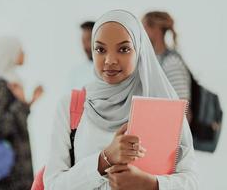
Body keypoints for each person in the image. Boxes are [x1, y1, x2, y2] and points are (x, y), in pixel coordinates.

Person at [44, 10, 198, 190]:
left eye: (123, 49)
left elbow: (191, 181)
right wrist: (104, 160)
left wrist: (151, 184)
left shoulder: (162, 105)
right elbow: (53, 185)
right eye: (100, 49)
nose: (109, 60)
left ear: (139, 50)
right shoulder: (71, 105)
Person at [0, 36, 43, 190]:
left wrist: (28, 103)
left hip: (12, 172)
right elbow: (0, 127)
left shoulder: (10, 82)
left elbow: (13, 120)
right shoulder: (3, 85)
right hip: (8, 177)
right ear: (8, 53)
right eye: (20, 50)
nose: (24, 53)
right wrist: (22, 104)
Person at [142, 11, 191, 101]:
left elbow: (181, 105)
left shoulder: (172, 62)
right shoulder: (153, 60)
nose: (141, 33)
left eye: (144, 27)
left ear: (155, 29)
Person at [67, 21, 95, 90]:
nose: (85, 46)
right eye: (83, 41)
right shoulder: (76, 73)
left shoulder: (111, 70)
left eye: (88, 39)